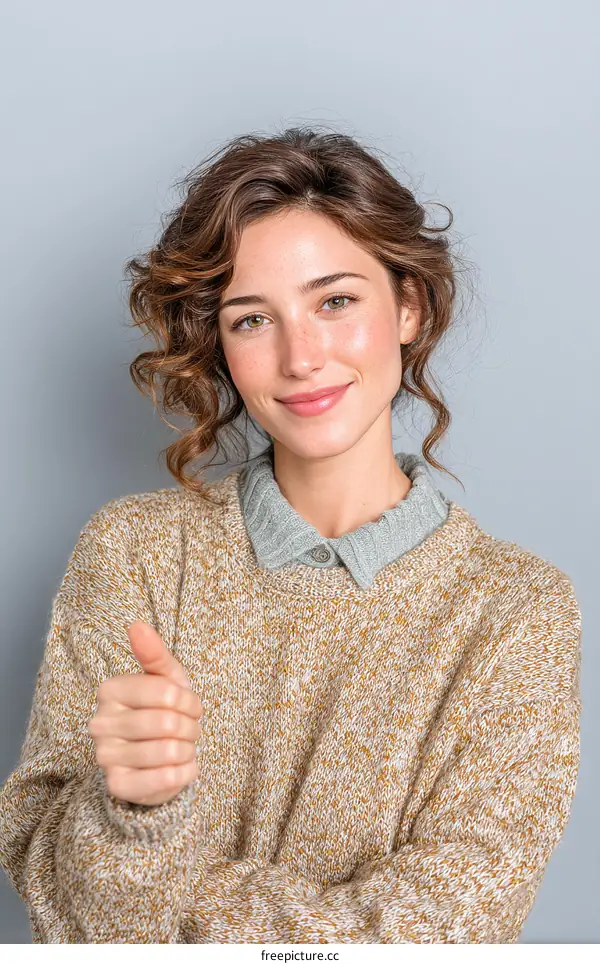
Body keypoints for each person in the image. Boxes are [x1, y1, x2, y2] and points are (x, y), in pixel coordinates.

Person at [0, 127, 582, 943]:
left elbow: (445, 933)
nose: (301, 357)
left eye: (335, 301)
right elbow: (74, 920)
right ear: (220, 347)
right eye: (250, 320)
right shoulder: (134, 553)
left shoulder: (517, 612)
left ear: (408, 306)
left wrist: (182, 905)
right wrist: (133, 812)